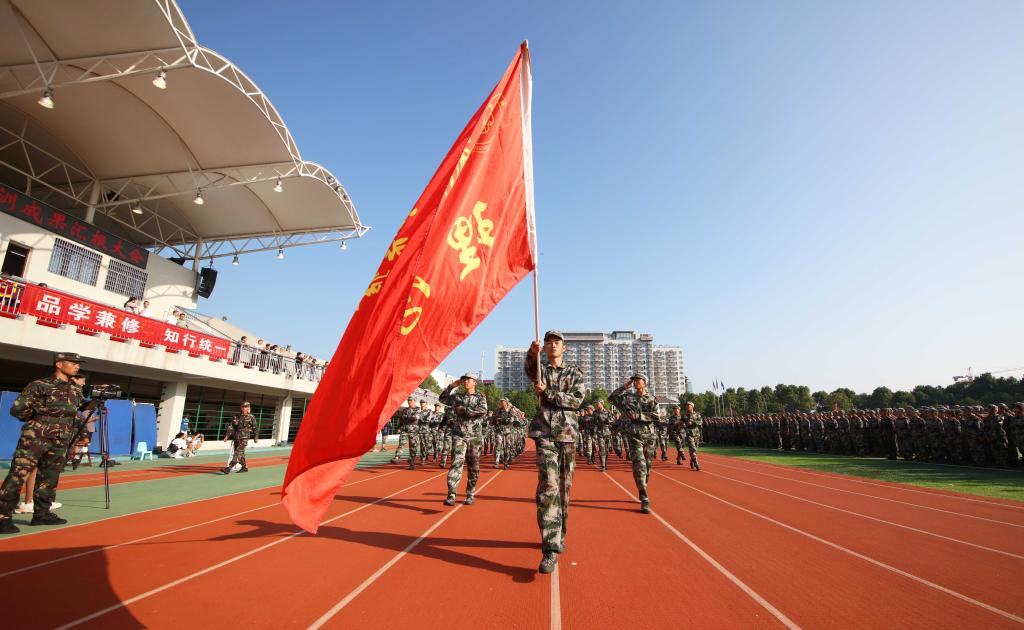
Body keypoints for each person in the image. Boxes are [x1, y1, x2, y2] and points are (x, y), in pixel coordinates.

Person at [0, 352, 86, 533]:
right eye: (73, 363)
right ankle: (3, 516)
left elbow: (73, 413)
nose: (77, 366)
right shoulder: (39, 385)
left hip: (60, 439)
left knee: (50, 477)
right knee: (18, 475)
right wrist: (38, 421)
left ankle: (42, 514)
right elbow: (18, 409)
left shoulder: (75, 389)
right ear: (59, 364)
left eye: (78, 363)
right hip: (36, 437)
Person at [525, 330, 585, 574]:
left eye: (556, 342)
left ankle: (560, 533)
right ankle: (549, 548)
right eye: (548, 342)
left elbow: (576, 401)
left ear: (564, 347)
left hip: (568, 435)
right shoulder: (541, 370)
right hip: (545, 434)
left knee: (564, 489)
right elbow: (530, 370)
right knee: (548, 486)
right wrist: (532, 353)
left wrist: (548, 393)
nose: (552, 345)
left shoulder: (574, 372)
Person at [610, 372, 659, 514]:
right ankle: (644, 497)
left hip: (649, 436)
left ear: (645, 382)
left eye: (638, 380)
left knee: (647, 466)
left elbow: (656, 416)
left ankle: (643, 485)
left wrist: (639, 416)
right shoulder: (627, 398)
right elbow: (611, 398)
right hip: (634, 436)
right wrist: (624, 387)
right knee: (639, 465)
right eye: (634, 380)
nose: (636, 382)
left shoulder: (652, 399)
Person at [439, 374, 488, 506]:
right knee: (456, 463)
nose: (465, 381)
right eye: (464, 379)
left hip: (474, 437)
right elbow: (442, 399)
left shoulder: (480, 397)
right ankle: (451, 494)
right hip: (459, 435)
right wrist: (451, 386)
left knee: (473, 467)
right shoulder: (457, 397)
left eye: (468, 379)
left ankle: (470, 493)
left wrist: (464, 410)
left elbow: (483, 410)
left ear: (474, 382)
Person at [221, 402, 259, 474]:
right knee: (241, 453)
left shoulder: (251, 417)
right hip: (236, 437)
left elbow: (255, 427)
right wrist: (227, 436)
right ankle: (244, 467)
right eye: (243, 407)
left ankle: (229, 468)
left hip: (244, 437)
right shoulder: (236, 416)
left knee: (237, 452)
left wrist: (256, 437)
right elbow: (231, 427)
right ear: (241, 408)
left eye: (246, 407)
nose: (244, 408)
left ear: (248, 408)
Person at [683, 401, 703, 471]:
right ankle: (697, 464)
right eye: (687, 406)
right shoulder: (684, 415)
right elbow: (681, 423)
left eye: (689, 406)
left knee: (695, 450)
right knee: (693, 448)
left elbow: (701, 422)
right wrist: (684, 425)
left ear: (692, 407)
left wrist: (693, 423)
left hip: (696, 434)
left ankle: (692, 461)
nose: (687, 407)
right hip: (689, 434)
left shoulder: (697, 414)